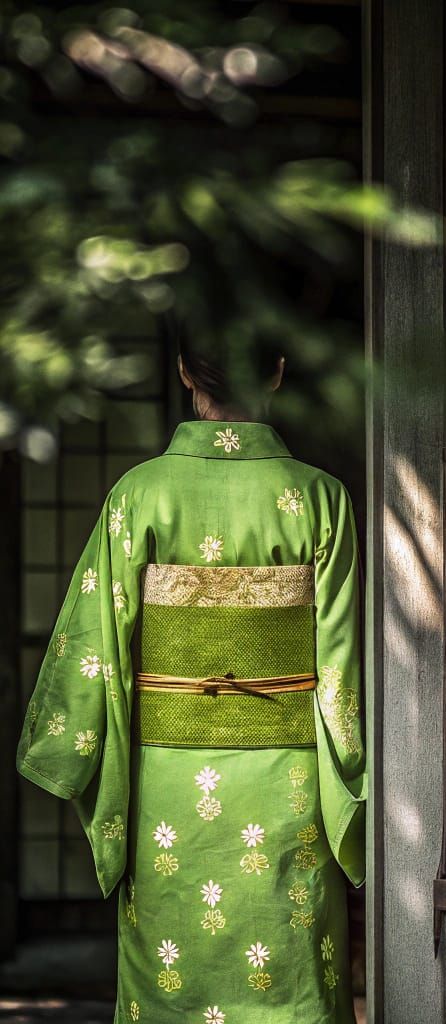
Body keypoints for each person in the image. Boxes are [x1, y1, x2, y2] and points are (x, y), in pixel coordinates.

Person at [15, 335, 367, 1024]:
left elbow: (98, 647)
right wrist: (353, 767)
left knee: (171, 980)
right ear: (279, 370)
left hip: (169, 782)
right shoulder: (320, 498)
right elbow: (341, 661)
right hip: (287, 780)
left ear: (183, 373)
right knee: (291, 968)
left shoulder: (137, 495)